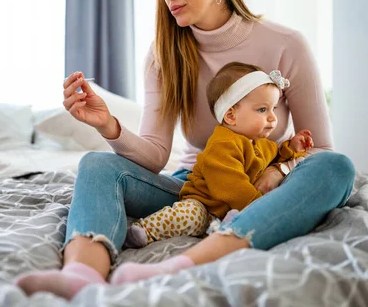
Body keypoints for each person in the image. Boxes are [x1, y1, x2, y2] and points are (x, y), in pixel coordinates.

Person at [15, 0, 355, 298]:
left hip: (262, 187)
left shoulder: (286, 45)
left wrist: (280, 169)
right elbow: (156, 156)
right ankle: (82, 273)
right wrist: (109, 125)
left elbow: (320, 147)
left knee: (336, 168)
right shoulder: (163, 55)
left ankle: (185, 264)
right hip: (193, 188)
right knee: (96, 164)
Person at [124, 62, 314, 249]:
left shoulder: (261, 143)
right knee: (189, 215)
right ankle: (144, 231)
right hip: (206, 206)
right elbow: (233, 187)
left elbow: (276, 157)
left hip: (229, 212)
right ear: (231, 116)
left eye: (274, 109)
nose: (273, 118)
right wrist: (261, 208)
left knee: (236, 226)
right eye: (262, 110)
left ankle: (223, 231)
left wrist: (293, 147)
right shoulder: (222, 145)